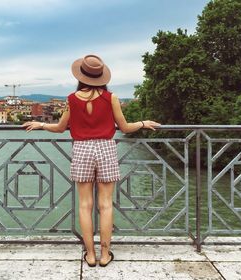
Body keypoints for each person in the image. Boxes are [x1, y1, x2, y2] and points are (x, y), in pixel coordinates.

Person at [22, 54, 161, 267]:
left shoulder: (71, 99)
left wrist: (40, 125)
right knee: (105, 205)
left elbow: (60, 128)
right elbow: (124, 128)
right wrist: (142, 123)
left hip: (82, 149)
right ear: (101, 77)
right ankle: (105, 255)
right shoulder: (111, 98)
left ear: (81, 75)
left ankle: (90, 255)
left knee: (85, 205)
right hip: (105, 148)